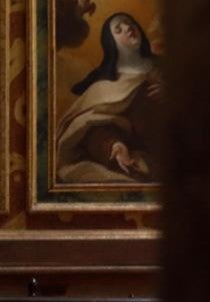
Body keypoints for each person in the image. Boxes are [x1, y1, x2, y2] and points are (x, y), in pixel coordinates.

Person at [55, 12, 162, 183]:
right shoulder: (103, 88)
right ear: (111, 44)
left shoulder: (167, 66)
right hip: (146, 157)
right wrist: (114, 145)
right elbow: (89, 128)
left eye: (129, 23)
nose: (127, 28)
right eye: (118, 30)